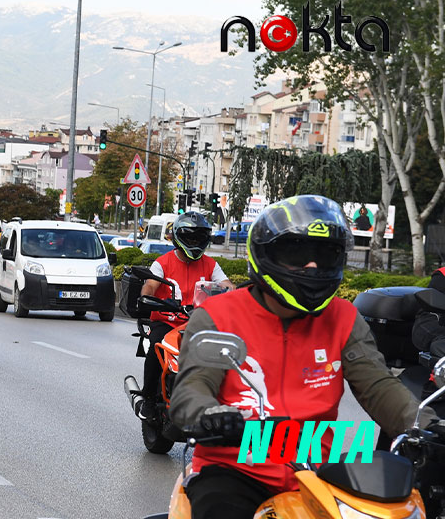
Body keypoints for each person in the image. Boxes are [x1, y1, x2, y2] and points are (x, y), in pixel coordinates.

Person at [169, 195, 437, 519]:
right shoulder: (217, 315)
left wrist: (430, 426)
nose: (312, 266)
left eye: (324, 255)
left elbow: (379, 386)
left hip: (316, 476)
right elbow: (190, 390)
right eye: (297, 253)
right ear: (266, 254)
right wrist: (212, 414)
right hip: (235, 472)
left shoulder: (343, 317)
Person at [136, 212, 233, 419]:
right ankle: (149, 400)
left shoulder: (210, 265)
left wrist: (236, 295)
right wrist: (151, 298)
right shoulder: (162, 263)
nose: (194, 242)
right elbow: (150, 286)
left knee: (228, 351)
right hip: (167, 323)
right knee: (155, 347)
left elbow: (227, 285)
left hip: (198, 324)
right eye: (190, 238)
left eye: (199, 238)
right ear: (178, 238)